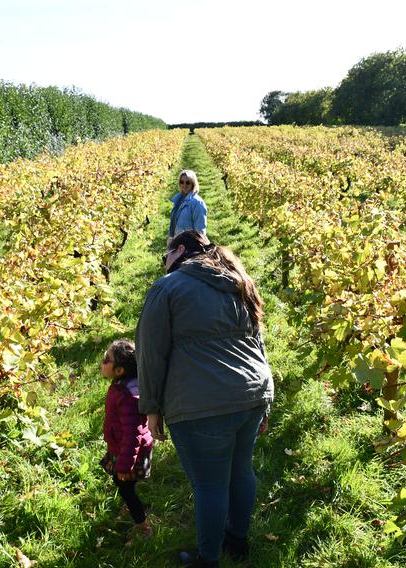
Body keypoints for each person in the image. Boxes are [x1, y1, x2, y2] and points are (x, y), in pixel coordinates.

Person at [136, 230, 273, 567]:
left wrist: (151, 407)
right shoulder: (239, 281)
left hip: (203, 404)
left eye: (165, 253)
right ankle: (237, 542)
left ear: (179, 250)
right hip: (252, 392)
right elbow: (258, 343)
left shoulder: (167, 288)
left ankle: (208, 560)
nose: (163, 261)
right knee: (241, 471)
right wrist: (265, 402)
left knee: (210, 485)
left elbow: (150, 354)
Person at [99, 339, 154, 544]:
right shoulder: (123, 386)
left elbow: (133, 434)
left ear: (120, 370)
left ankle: (142, 525)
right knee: (125, 485)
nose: (102, 362)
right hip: (123, 448)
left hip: (129, 452)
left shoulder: (128, 396)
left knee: (125, 487)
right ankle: (131, 503)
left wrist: (124, 465)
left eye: (107, 360)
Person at [168, 170, 208, 244]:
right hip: (178, 243)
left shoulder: (198, 203)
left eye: (188, 182)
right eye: (182, 182)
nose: (184, 185)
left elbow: (200, 230)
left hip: (189, 246)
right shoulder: (178, 200)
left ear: (193, 184)